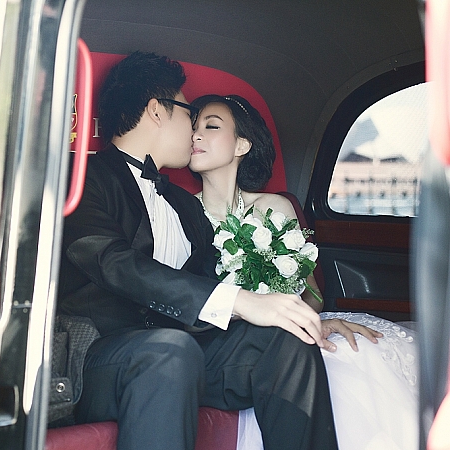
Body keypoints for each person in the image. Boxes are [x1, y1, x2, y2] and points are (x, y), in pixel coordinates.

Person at [58, 51, 339, 450]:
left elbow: (212, 279)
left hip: (186, 348)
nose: (193, 132)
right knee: (170, 352)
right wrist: (239, 301)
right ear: (158, 111)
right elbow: (113, 262)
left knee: (286, 342)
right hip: (102, 358)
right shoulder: (83, 178)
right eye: (189, 115)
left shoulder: (184, 205)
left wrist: (298, 316)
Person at [189, 93, 419, 450]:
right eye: (193, 127)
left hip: (292, 329)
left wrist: (302, 320)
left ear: (242, 145)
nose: (196, 135)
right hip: (236, 349)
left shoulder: (275, 207)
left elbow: (312, 294)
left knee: (360, 353)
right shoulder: (183, 215)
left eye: (211, 126)